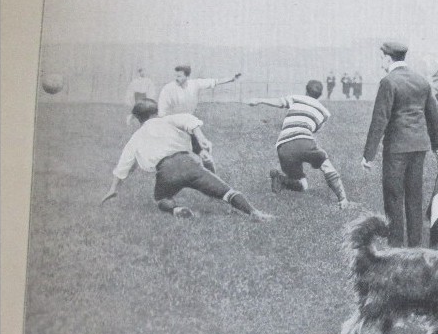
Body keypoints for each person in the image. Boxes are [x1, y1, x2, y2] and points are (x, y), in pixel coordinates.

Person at [101, 99, 271, 221]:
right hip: (190, 163)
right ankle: (254, 212)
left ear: (138, 119)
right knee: (227, 192)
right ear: (157, 112)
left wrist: (113, 188)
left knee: (162, 199)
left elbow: (123, 167)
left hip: (166, 172)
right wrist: (201, 137)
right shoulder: (167, 120)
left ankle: (177, 209)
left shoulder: (136, 137)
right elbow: (189, 120)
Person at [362, 41, 438, 247]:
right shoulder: (421, 80)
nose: (380, 61)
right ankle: (415, 245)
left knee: (393, 196)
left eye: (381, 57)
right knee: (414, 196)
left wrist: (368, 155)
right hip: (419, 147)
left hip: (397, 148)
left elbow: (380, 119)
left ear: (387, 58)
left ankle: (396, 245)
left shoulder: (388, 82)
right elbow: (435, 115)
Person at [246, 80, 350, 209]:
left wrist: (258, 100)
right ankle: (343, 199)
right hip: (304, 142)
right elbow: (315, 129)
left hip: (283, 147)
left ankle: (281, 179)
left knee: (301, 183)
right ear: (320, 94)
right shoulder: (325, 113)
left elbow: (279, 102)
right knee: (325, 166)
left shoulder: (296, 98)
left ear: (306, 90)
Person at [156, 65, 242, 173]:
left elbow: (214, 82)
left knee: (205, 154)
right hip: (173, 126)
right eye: (176, 76)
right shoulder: (168, 89)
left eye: (179, 76)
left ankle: (213, 181)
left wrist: (231, 79)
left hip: (189, 125)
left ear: (187, 76)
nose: (176, 78)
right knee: (170, 159)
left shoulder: (194, 84)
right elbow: (162, 114)